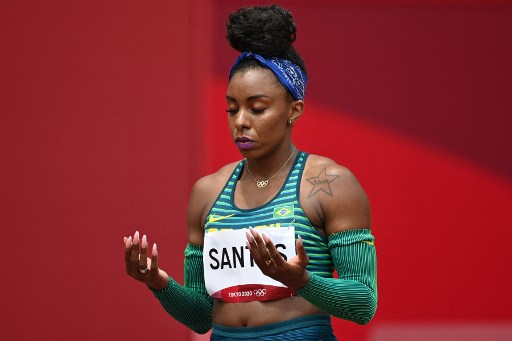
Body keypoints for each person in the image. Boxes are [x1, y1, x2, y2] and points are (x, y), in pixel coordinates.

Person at [123, 4, 377, 340]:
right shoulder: (208, 192)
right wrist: (159, 283)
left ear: (293, 110)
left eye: (257, 108)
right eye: (232, 109)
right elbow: (202, 316)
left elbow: (363, 305)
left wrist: (300, 280)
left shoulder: (329, 184)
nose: (241, 121)